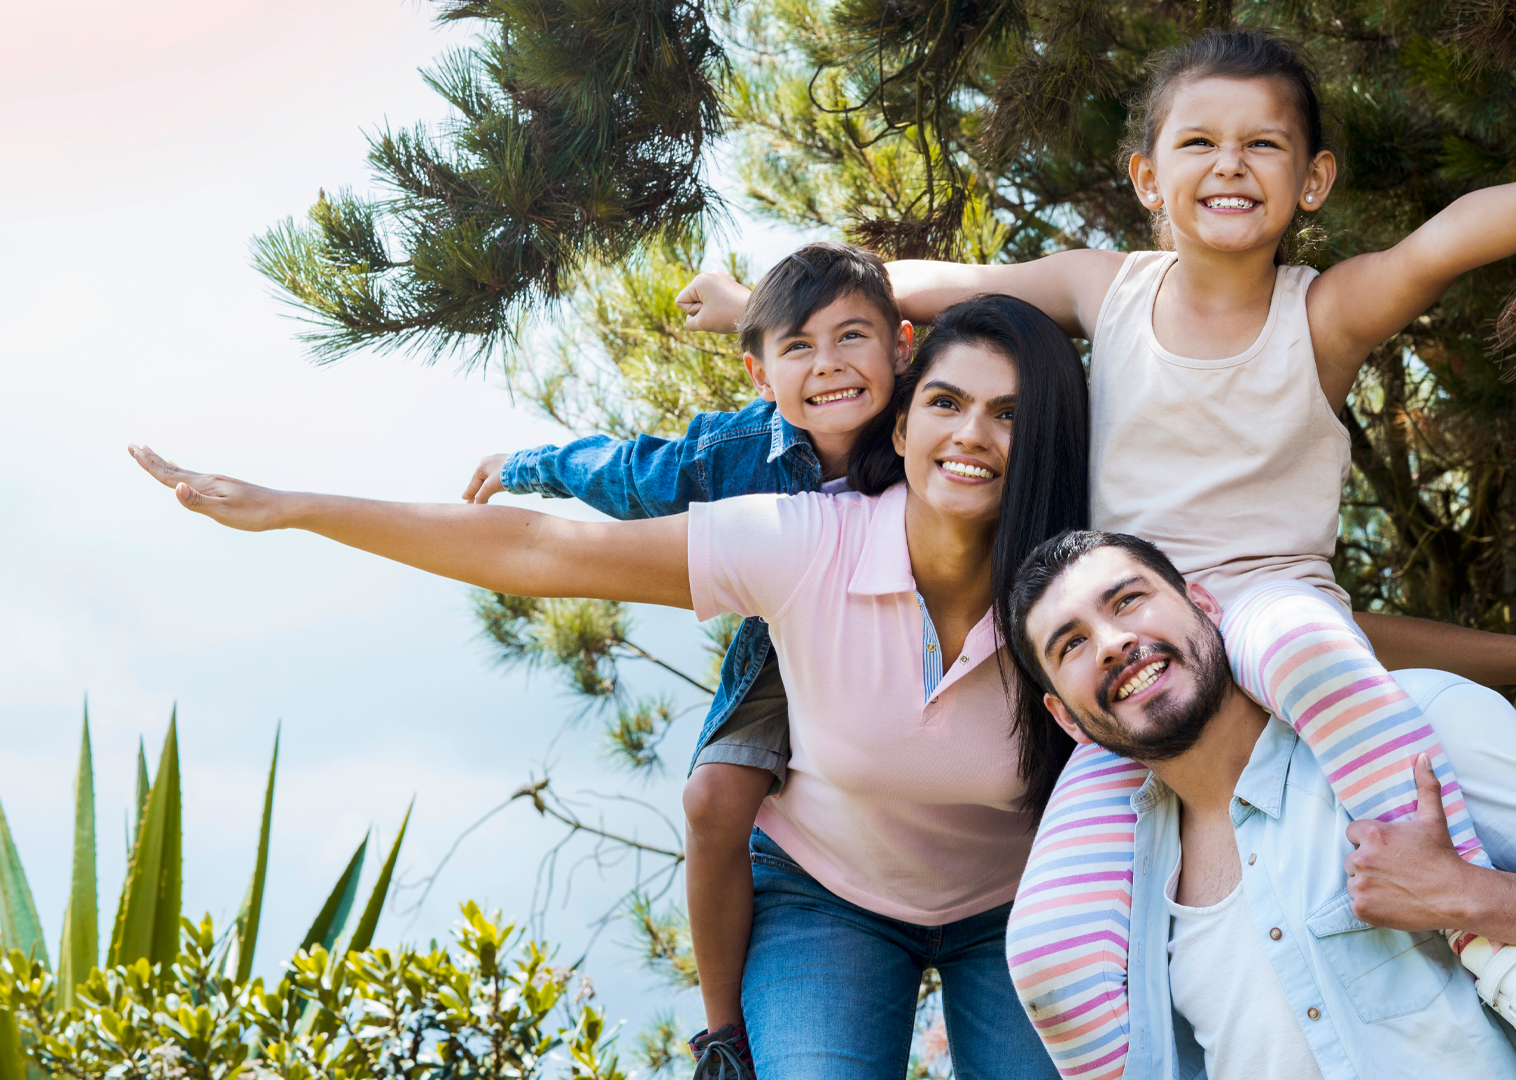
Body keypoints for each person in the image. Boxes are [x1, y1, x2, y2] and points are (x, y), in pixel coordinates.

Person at [673, 27, 1516, 1077]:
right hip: (1135, 636)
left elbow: (1446, 240)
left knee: (1315, 650)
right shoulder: (1108, 290)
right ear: (1147, 173)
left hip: (1276, 617)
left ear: (1313, 181)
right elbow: (933, 285)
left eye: (1263, 145)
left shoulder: (1321, 315)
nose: (1229, 164)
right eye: (1198, 142)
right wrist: (758, 309)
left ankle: (1485, 934)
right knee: (1044, 943)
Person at [128, 293, 1093, 1080]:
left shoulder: (1087, 592)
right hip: (828, 900)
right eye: (947, 403)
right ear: (907, 408)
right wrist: (296, 507)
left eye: (1010, 414)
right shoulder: (809, 542)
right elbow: (545, 547)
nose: (973, 435)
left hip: (1016, 905)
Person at [1005, 530, 1516, 1080]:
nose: (1112, 642)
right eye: (1071, 644)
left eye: (1130, 600)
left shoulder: (1423, 725)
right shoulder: (1125, 908)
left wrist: (1474, 895)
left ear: (1204, 606)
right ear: (1068, 719)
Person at [462, 241, 913, 1073]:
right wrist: (524, 464)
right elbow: (635, 472)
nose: (830, 368)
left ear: (902, 347)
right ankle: (723, 1038)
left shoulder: (937, 417)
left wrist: (742, 297)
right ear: (759, 377)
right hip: (792, 637)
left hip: (921, 627)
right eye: (797, 351)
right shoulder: (741, 449)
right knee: (711, 798)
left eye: (854, 340)